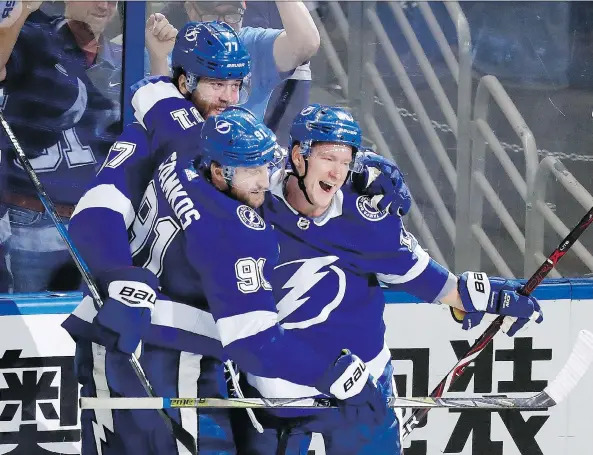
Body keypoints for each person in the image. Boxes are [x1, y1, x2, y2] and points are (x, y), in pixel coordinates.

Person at [62, 105, 392, 455]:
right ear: (219, 171)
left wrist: (361, 170)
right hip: (173, 356)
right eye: (252, 170)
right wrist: (337, 376)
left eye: (266, 165)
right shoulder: (235, 232)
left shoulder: (185, 147)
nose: (264, 180)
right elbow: (255, 342)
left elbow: (154, 95)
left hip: (109, 325)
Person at [227, 104, 544, 455]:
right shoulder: (251, 198)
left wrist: (494, 297)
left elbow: (437, 284)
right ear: (299, 156)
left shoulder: (364, 217)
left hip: (361, 398)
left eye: (346, 162)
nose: (337, 173)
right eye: (328, 157)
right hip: (277, 403)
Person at [0, 0, 122, 292]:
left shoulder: (125, 58)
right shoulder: (32, 37)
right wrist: (25, 9)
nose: (104, 5)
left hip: (99, 224)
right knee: (28, 331)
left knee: (92, 327)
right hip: (30, 223)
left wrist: (158, 57)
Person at [150, 0, 320, 122]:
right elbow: (160, 120)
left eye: (231, 14)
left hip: (243, 163)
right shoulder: (169, 46)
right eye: (210, 14)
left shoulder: (253, 43)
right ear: (190, 9)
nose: (221, 23)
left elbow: (306, 44)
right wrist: (157, 59)